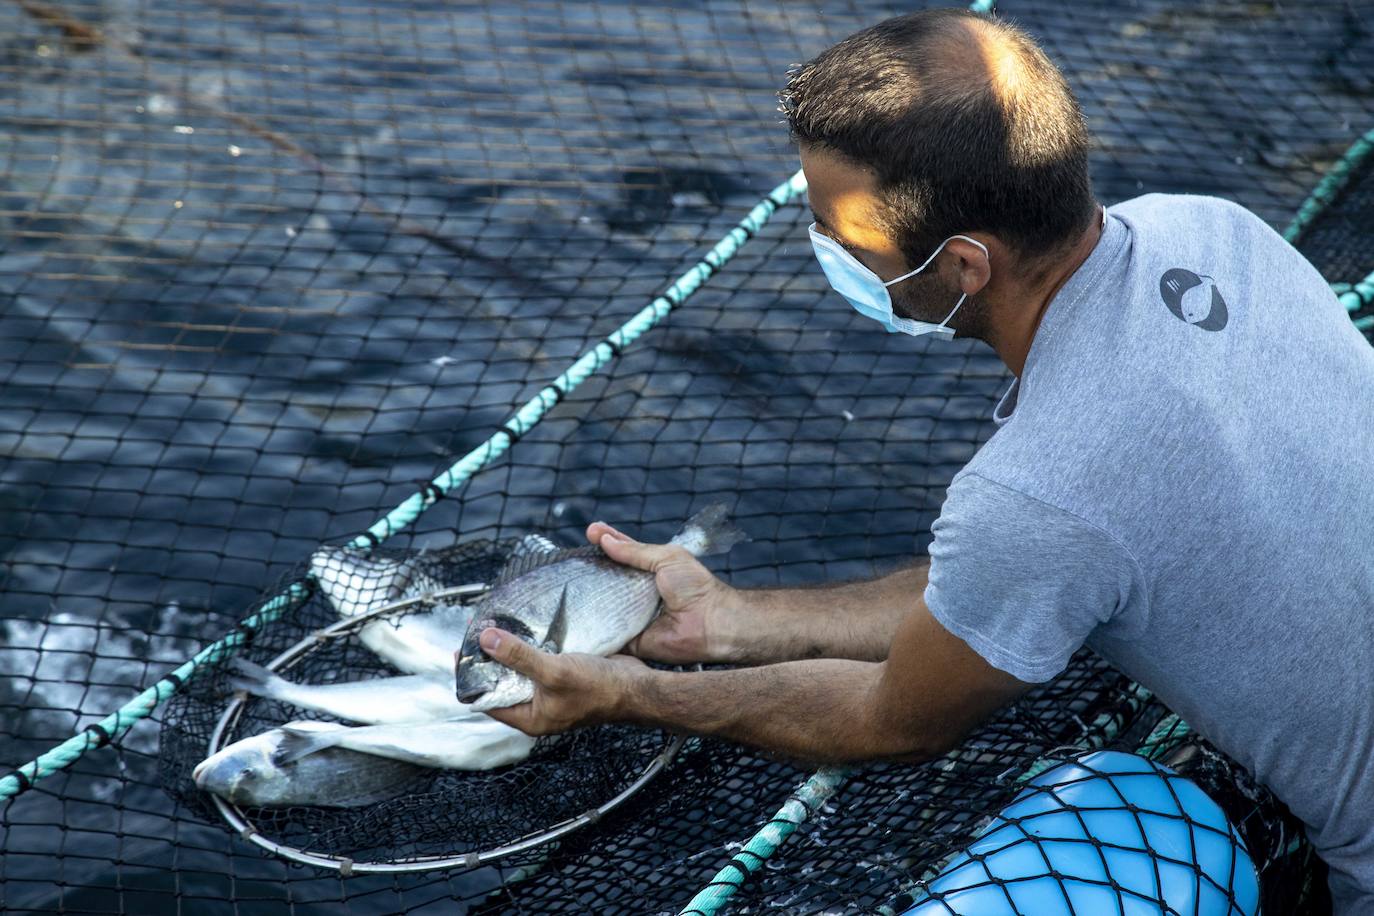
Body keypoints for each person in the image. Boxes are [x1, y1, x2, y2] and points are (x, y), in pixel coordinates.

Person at [474, 8, 1374, 911]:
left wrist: (627, 694)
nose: (821, 247)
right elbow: (998, 586)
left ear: (966, 266)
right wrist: (732, 621)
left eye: (839, 234)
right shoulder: (1210, 231)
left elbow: (892, 719)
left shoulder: (1039, 491)